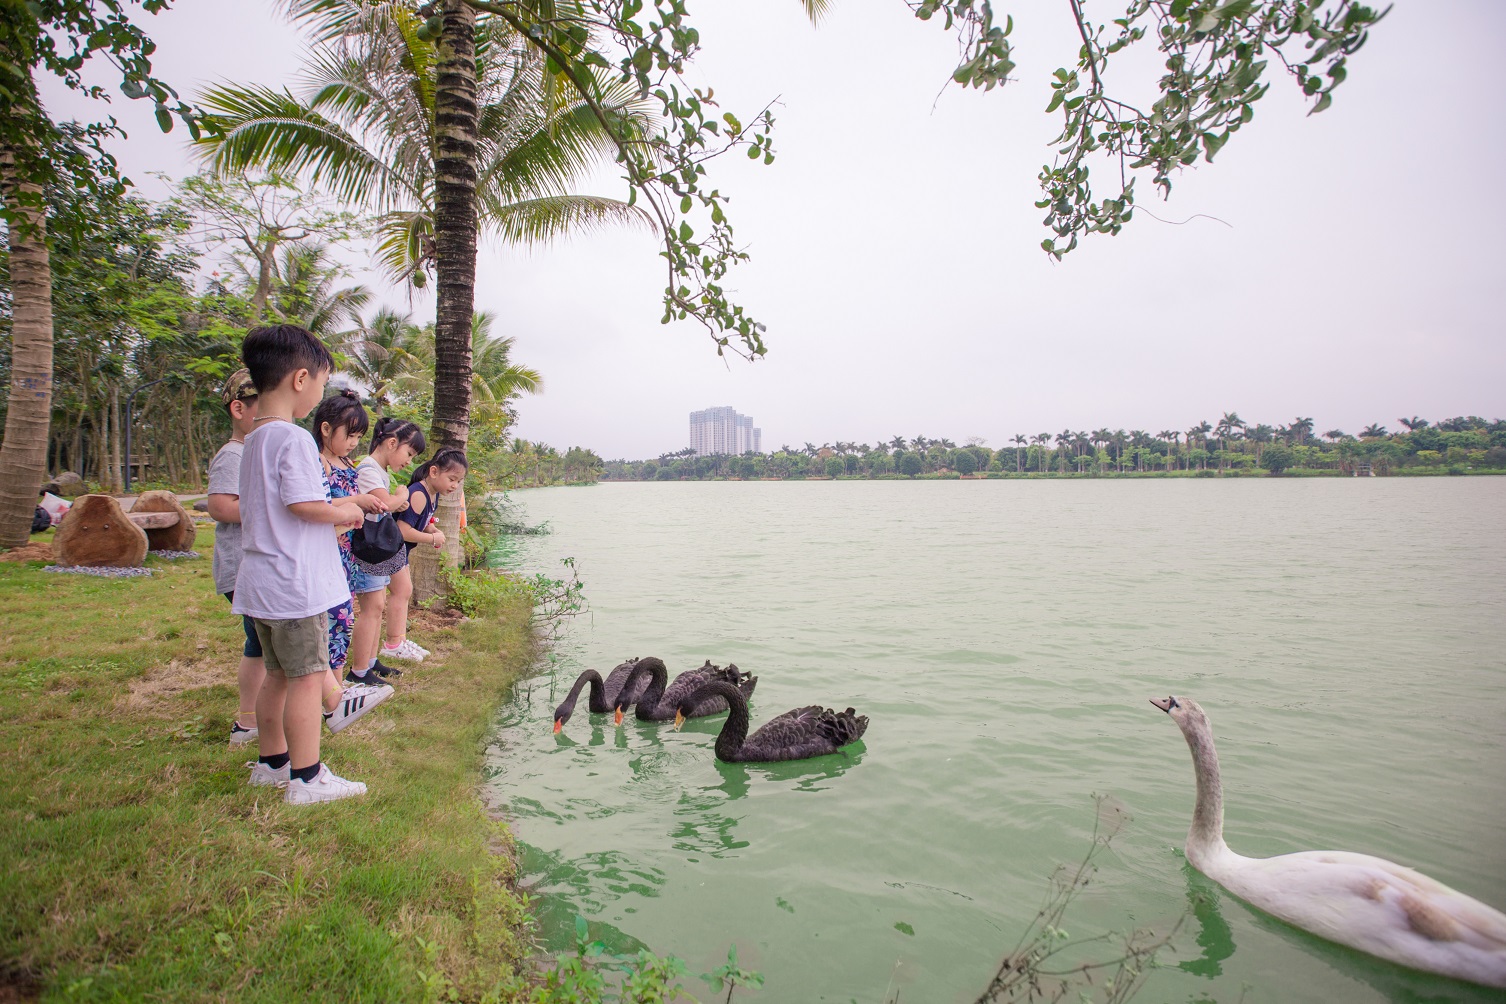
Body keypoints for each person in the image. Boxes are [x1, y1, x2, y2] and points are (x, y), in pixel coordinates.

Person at [234, 324, 367, 805]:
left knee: (278, 675)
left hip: (262, 583)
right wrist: (347, 511)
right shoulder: (292, 440)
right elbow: (304, 505)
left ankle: (273, 764)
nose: (318, 394)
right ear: (300, 379)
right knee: (309, 680)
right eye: (321, 383)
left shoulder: (255, 439)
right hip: (295, 584)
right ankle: (307, 778)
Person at [311, 390, 396, 732]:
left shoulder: (346, 463)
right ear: (326, 428)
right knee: (333, 618)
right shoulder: (317, 461)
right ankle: (331, 696)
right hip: (323, 549)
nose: (352, 443)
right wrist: (358, 500)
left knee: (342, 620)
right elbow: (320, 501)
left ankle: (336, 688)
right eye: (350, 435)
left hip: (345, 551)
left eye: (359, 437)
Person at [206, 370, 263, 747]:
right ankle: (247, 721)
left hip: (254, 567)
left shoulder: (254, 451)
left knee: (260, 644)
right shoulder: (233, 454)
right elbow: (220, 506)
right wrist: (272, 508)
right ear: (238, 408)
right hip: (242, 568)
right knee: (261, 643)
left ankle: (253, 719)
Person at [347, 417, 423, 686]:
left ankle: (370, 661)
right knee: (372, 606)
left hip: (376, 548)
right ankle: (358, 670)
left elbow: (384, 504)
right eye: (409, 453)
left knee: (377, 605)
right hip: (369, 549)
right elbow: (384, 504)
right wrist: (400, 496)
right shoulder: (368, 468)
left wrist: (395, 503)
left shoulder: (378, 470)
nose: (409, 461)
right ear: (392, 443)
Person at [399, 448, 467, 565]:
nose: (455, 486)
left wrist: (432, 529)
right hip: (389, 552)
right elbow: (402, 531)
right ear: (434, 472)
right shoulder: (419, 495)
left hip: (400, 552)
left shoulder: (433, 494)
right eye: (452, 479)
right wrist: (432, 539)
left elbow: (421, 519)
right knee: (404, 585)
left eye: (459, 481)